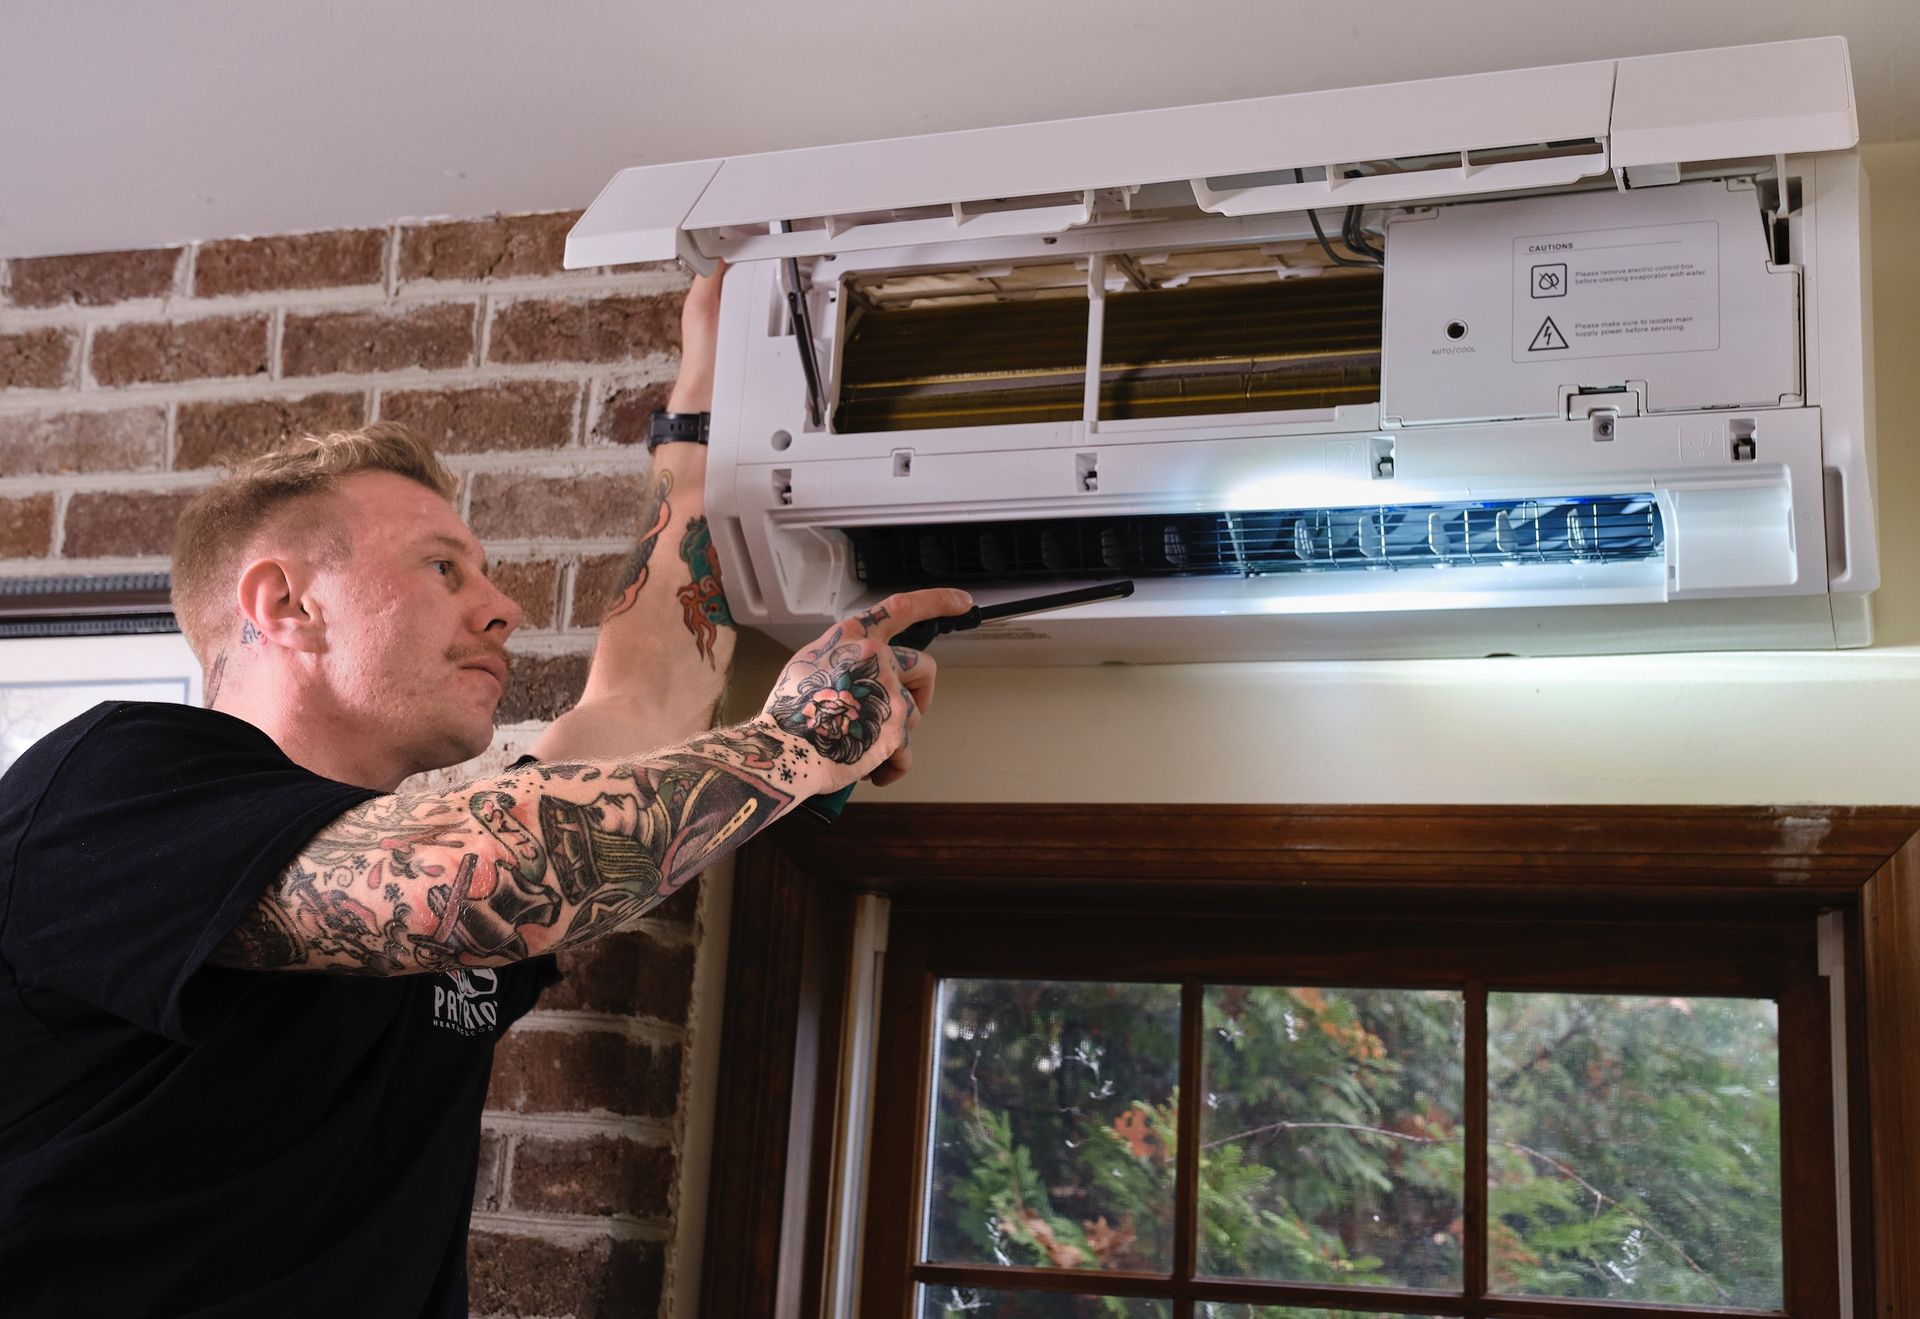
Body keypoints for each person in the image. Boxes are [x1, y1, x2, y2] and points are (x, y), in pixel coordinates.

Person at [0, 266, 968, 1316]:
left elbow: (642, 694)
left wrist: (695, 431)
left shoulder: (409, 852)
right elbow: (476, 871)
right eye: (445, 569)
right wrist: (800, 742)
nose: (503, 605)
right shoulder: (110, 783)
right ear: (285, 603)